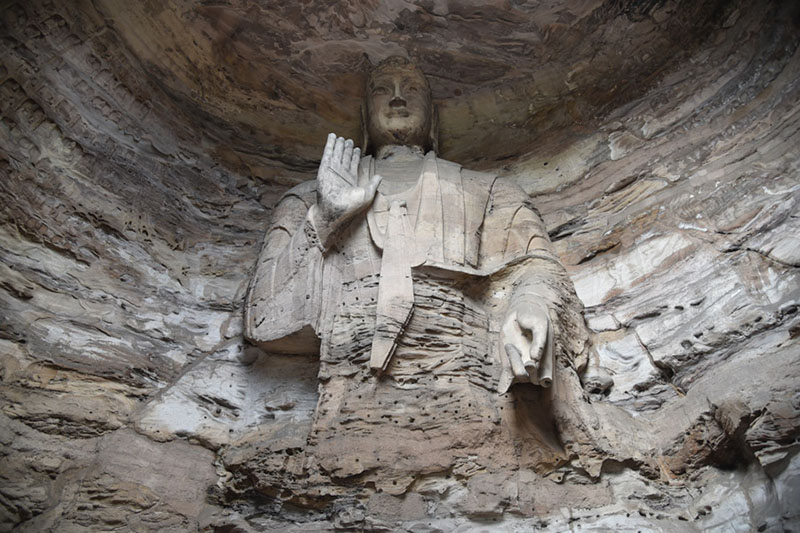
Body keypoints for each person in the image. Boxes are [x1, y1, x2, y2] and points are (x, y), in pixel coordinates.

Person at [244, 56, 595, 482]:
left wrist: (530, 301)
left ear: (434, 120)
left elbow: (538, 267)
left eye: (410, 89)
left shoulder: (488, 191)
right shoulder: (308, 199)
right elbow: (263, 319)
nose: (396, 98)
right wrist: (326, 219)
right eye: (382, 89)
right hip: (349, 408)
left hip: (472, 399)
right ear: (362, 116)